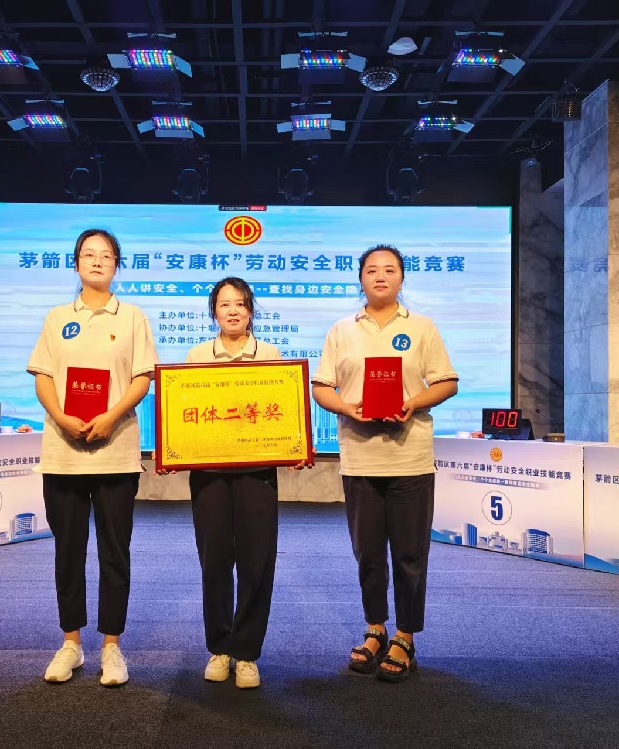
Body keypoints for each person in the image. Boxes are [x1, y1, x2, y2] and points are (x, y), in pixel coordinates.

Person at [311, 245, 458, 683]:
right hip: (360, 459)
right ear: (360, 278)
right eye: (372, 270)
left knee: (410, 553)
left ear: (401, 278)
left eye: (389, 270)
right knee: (368, 554)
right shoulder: (342, 329)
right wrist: (347, 407)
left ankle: (405, 636)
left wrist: (413, 403)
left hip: (410, 458)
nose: (380, 276)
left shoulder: (422, 327)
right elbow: (322, 387)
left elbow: (447, 382)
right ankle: (375, 629)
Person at [160, 277, 311, 689]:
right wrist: (173, 450)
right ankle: (219, 647)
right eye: (224, 304)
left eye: (240, 304)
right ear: (214, 311)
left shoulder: (270, 354)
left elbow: (283, 411)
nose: (232, 311)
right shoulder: (197, 355)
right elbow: (185, 411)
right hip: (209, 476)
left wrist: (295, 446)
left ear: (250, 311)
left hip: (256, 474)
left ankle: (246, 652)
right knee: (214, 561)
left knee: (256, 561)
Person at [27, 228, 158, 687]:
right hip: (63, 452)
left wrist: (111, 416)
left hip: (115, 451)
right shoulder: (57, 317)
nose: (97, 261)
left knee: (114, 552)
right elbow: (43, 376)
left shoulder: (134, 317)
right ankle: (71, 643)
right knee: (68, 552)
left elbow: (142, 378)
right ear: (76, 263)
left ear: (117, 265)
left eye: (105, 255)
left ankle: (111, 646)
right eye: (88, 254)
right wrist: (62, 417)